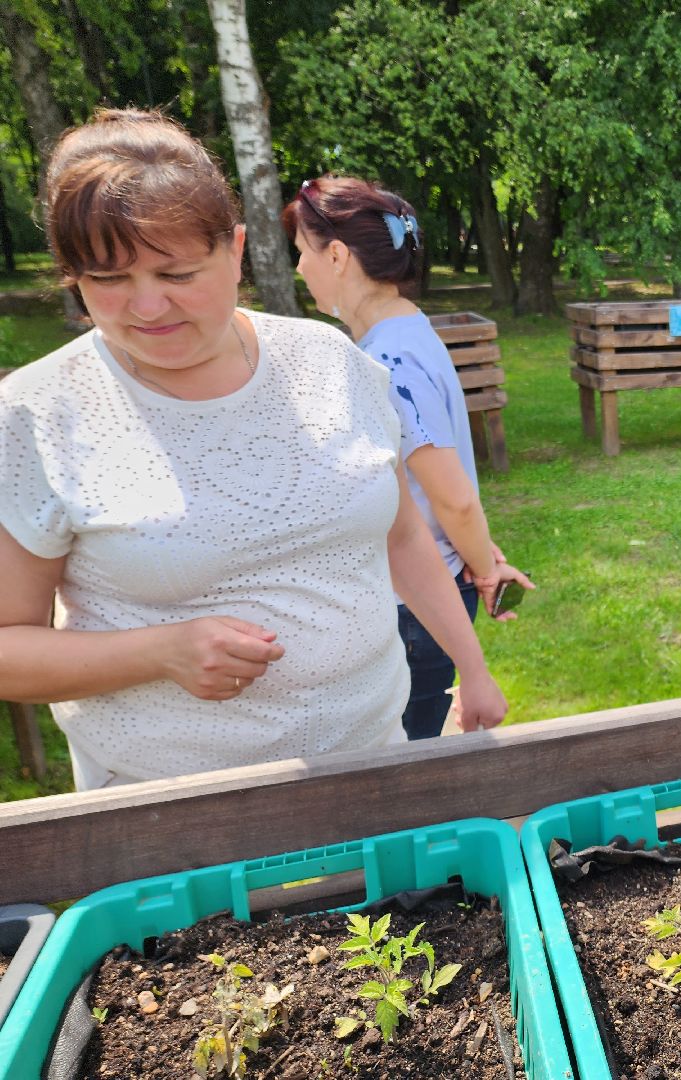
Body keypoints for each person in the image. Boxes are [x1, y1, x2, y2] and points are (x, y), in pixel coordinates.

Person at [0, 109, 507, 790]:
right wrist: (161, 652)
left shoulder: (332, 362)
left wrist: (471, 667)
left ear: (234, 249)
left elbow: (402, 536)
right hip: (171, 813)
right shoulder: (39, 413)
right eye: (107, 280)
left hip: (372, 762)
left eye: (177, 273)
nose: (147, 306)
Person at [283, 176, 532, 740]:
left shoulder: (386, 361)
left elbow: (452, 497)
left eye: (304, 252)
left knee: (402, 773)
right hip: (433, 592)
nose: (301, 269)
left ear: (339, 255)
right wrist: (481, 558)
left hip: (417, 606)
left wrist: (486, 570)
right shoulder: (410, 331)